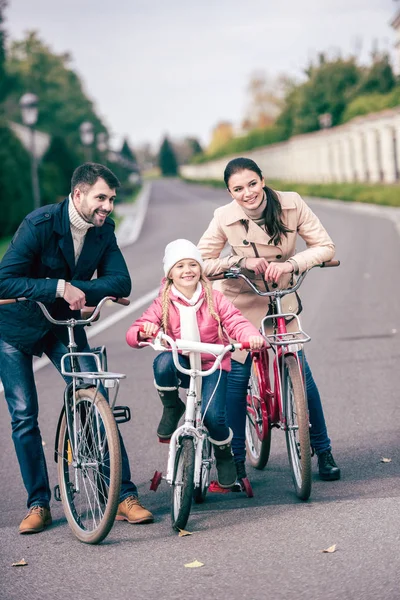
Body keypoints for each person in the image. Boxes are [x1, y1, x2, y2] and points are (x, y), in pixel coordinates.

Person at [0, 162, 153, 534]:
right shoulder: (39, 224)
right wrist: (58, 287)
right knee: (23, 415)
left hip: (62, 327)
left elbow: (121, 280)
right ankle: (38, 503)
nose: (109, 207)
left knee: (95, 393)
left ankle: (122, 496)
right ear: (79, 194)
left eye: (113, 199)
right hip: (16, 328)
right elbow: (5, 280)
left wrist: (82, 291)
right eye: (102, 198)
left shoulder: (104, 231)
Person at [197, 157, 341, 483]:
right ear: (229, 192)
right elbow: (200, 261)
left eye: (251, 183)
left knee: (301, 373)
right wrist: (241, 262)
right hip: (242, 299)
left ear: (262, 180)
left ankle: (323, 450)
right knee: (236, 378)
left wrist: (293, 264)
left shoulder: (291, 204)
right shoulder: (223, 217)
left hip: (281, 294)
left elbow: (324, 245)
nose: (247, 193)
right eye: (238, 189)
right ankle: (234, 462)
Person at [126, 239, 264, 488]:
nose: (187, 270)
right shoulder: (164, 302)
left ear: (200, 268)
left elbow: (236, 321)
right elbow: (136, 331)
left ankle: (223, 454)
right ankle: (172, 407)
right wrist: (142, 331)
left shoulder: (215, 298)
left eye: (192, 264)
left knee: (214, 418)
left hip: (213, 364)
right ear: (170, 274)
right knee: (162, 362)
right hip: (182, 364)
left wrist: (250, 336)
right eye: (180, 266)